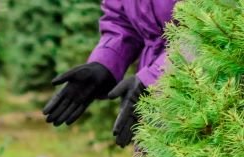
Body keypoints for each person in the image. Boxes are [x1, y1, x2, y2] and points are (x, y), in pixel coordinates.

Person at [42, 0, 180, 148]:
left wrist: (154, 77)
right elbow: (122, 19)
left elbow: (197, 32)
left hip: (192, 82)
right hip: (155, 72)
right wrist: (106, 62)